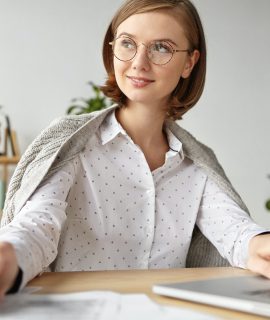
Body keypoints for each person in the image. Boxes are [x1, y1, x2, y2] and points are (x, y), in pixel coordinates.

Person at [0, 0, 269, 297]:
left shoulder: (197, 165)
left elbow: (237, 234)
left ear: (189, 63)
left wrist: (259, 246)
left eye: (162, 48)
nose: (139, 63)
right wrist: (9, 255)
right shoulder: (72, 146)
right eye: (128, 43)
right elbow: (37, 227)